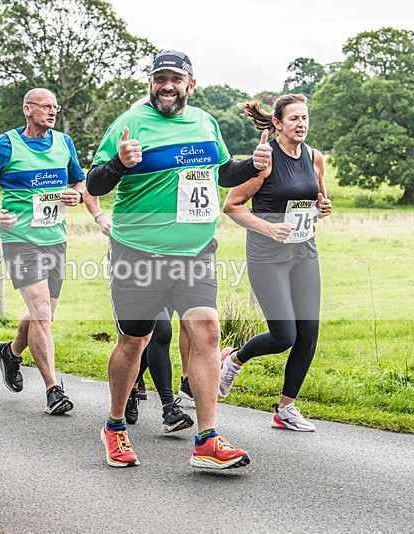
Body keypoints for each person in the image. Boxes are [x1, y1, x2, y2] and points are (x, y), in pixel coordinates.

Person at [88, 50, 271, 469]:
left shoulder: (205, 122)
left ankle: (206, 439)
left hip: (195, 252)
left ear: (191, 84)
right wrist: (119, 162)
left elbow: (222, 173)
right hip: (138, 253)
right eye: (160, 78)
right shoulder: (128, 123)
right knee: (134, 342)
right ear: (150, 82)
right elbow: (94, 183)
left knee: (206, 330)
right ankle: (115, 426)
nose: (167, 85)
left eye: (176, 78)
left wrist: (252, 165)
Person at [220, 94, 332, 432]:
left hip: (303, 253)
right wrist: (268, 227)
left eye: (305, 118)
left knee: (308, 332)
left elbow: (319, 201)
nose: (302, 124)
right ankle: (232, 359)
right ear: (278, 123)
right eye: (294, 118)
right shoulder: (266, 161)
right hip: (267, 256)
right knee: (284, 335)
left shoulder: (315, 158)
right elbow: (232, 205)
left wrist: (323, 209)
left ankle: (286, 409)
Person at [0, 88, 85, 414]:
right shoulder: (5, 144)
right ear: (28, 109)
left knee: (45, 315)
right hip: (19, 239)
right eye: (46, 106)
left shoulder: (64, 143)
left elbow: (79, 183)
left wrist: (77, 195)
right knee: (41, 311)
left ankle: (11, 353)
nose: (52, 111)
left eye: (55, 107)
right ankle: (53, 388)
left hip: (55, 238)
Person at [85, 192, 194, 431]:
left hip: (173, 255)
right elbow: (90, 187)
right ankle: (169, 407)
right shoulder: (127, 155)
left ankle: (133, 385)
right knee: (159, 331)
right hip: (134, 258)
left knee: (145, 336)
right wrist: (100, 216)